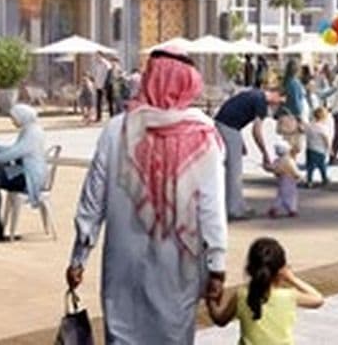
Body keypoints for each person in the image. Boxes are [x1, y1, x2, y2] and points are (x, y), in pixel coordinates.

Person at [66, 50, 227, 345]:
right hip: (178, 269)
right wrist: (217, 266)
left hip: (122, 267)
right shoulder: (204, 136)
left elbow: (92, 201)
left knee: (123, 336)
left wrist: (78, 258)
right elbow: (211, 209)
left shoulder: (117, 129)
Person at [206, 237, 324, 343]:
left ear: (250, 269)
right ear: (281, 271)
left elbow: (220, 319)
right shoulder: (289, 296)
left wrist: (211, 299)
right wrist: (292, 278)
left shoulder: (242, 295)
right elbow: (318, 299)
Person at [0, 104, 47, 242]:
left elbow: (14, 153)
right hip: (24, 172)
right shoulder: (29, 130)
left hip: (30, 178)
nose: (13, 121)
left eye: (14, 118)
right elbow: (14, 148)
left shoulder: (33, 133)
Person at [215, 86, 272, 220]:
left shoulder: (255, 94)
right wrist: (265, 153)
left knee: (233, 169)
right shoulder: (261, 102)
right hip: (229, 127)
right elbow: (256, 131)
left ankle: (239, 206)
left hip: (224, 124)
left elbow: (237, 114)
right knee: (234, 171)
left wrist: (240, 142)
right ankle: (234, 210)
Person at [268, 140, 301, 218]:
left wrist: (267, 167)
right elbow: (294, 170)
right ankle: (292, 210)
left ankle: (276, 208)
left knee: (281, 195)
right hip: (290, 180)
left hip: (281, 179)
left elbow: (274, 169)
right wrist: (298, 175)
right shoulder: (289, 160)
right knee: (291, 195)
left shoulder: (277, 161)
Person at [305, 106, 330, 187]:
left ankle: (309, 181)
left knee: (310, 167)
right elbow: (325, 139)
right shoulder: (322, 128)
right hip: (320, 150)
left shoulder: (309, 126)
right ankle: (324, 178)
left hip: (310, 149)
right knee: (322, 166)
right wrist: (329, 148)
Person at [91, 51, 112, 122]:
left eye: (97, 55)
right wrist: (95, 83)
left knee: (109, 101)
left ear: (101, 55)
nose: (96, 57)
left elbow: (107, 75)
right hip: (98, 85)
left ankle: (112, 116)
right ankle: (99, 117)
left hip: (105, 85)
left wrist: (105, 85)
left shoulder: (106, 64)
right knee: (98, 102)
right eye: (95, 56)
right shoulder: (97, 64)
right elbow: (96, 75)